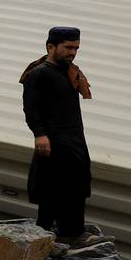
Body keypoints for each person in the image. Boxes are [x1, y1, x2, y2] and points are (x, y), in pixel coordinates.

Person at [22, 26, 94, 244]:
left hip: (73, 140)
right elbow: (30, 108)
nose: (72, 52)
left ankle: (63, 232)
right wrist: (40, 134)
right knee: (55, 189)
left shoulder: (69, 72)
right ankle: (57, 234)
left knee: (73, 187)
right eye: (68, 47)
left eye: (76, 48)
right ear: (51, 47)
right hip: (54, 142)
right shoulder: (39, 74)